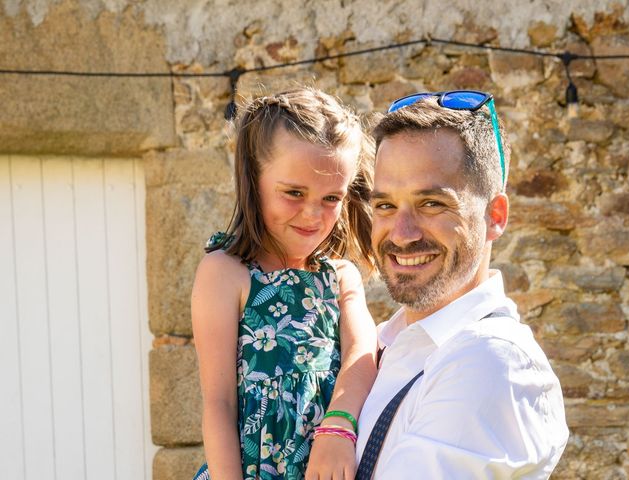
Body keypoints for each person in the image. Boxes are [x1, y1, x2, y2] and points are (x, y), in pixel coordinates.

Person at [355, 91, 569, 479]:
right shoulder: (380, 342)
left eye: (431, 204)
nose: (401, 235)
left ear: (495, 216)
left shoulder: (491, 362)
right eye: (385, 205)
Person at [191, 87, 378, 480]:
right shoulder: (226, 272)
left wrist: (339, 424)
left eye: (331, 197)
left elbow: (362, 355)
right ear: (253, 181)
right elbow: (219, 403)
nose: (313, 214)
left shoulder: (340, 277)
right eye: (294, 192)